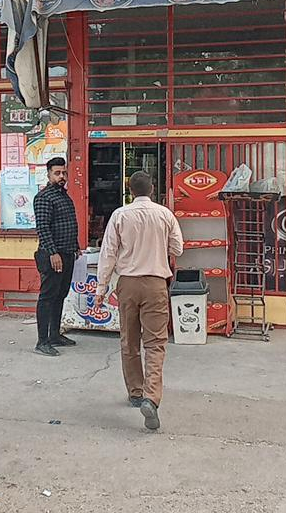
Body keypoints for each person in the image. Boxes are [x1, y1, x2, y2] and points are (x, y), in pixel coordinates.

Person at [94, 171, 184, 431]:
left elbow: (108, 253)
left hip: (128, 284)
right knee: (155, 344)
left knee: (129, 341)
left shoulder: (120, 215)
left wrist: (101, 288)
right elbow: (177, 248)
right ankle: (151, 397)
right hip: (156, 283)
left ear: (130, 190)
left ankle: (135, 392)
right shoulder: (165, 214)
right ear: (152, 189)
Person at [32, 157, 80, 357]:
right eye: (57, 173)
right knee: (47, 297)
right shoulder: (44, 197)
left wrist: (75, 247)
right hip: (52, 255)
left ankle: (54, 335)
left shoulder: (63, 196)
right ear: (49, 174)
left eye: (64, 173)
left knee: (60, 295)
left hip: (67, 252)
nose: (61, 176)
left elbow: (68, 224)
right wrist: (53, 253)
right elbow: (43, 228)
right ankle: (42, 341)